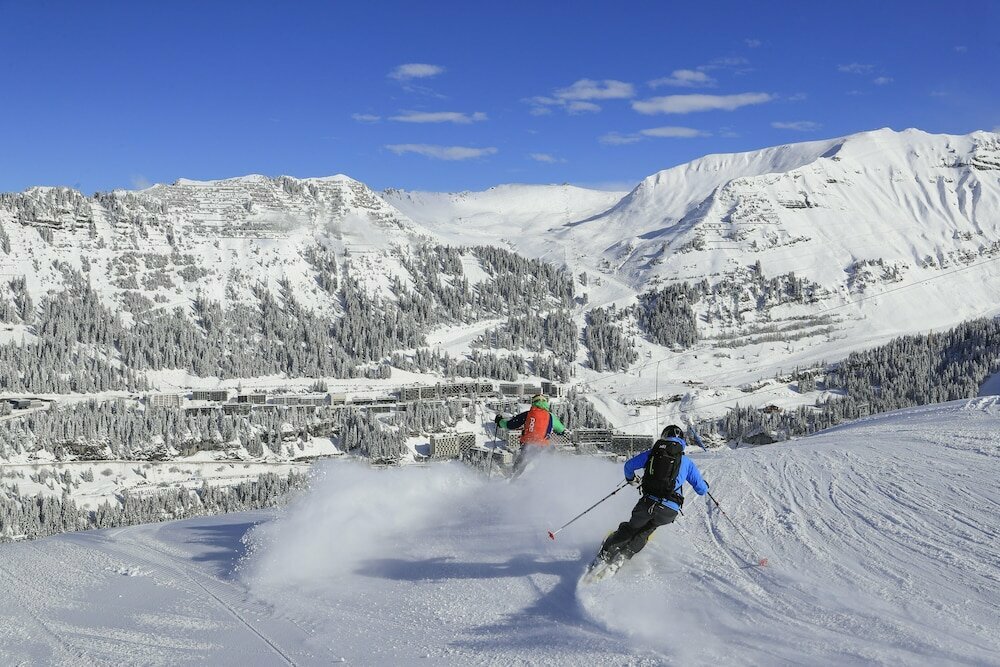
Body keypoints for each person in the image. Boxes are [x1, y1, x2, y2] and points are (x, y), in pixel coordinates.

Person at [595, 424, 708, 567]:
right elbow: (702, 490)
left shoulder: (653, 453)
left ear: (664, 436)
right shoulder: (686, 461)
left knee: (631, 528)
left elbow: (628, 466)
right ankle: (624, 556)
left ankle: (604, 555)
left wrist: (632, 479)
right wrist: (705, 485)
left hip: (648, 503)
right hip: (669, 510)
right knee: (645, 531)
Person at [495, 394, 567, 477]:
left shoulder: (528, 414)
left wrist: (500, 421)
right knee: (546, 466)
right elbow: (561, 430)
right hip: (544, 447)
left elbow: (510, 425)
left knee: (519, 467)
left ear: (533, 403)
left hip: (528, 445)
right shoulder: (551, 416)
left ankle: (512, 479)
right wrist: (559, 432)